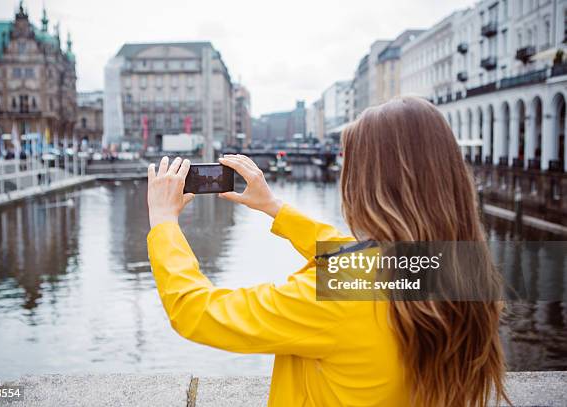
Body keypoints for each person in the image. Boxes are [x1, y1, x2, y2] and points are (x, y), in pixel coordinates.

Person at [146, 97, 509, 407]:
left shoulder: (339, 298)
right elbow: (363, 261)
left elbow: (195, 312)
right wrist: (275, 209)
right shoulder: (459, 269)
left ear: (364, 184)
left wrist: (164, 223)